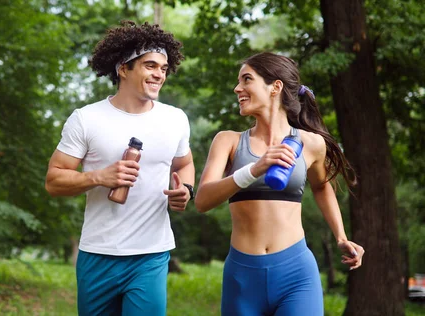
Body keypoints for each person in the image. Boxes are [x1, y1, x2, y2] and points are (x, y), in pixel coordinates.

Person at [194, 52, 365, 316]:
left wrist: (341, 236)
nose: (237, 88)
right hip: (242, 277)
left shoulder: (310, 144)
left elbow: (321, 187)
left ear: (275, 86)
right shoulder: (228, 141)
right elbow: (203, 200)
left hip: (296, 273)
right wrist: (254, 169)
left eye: (246, 79)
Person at [45, 20, 195, 316]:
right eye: (150, 66)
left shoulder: (175, 119)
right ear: (123, 69)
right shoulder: (86, 119)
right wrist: (99, 176)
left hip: (150, 254)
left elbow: (185, 162)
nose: (159, 75)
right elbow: (53, 180)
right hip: (98, 254)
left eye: (163, 69)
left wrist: (186, 189)